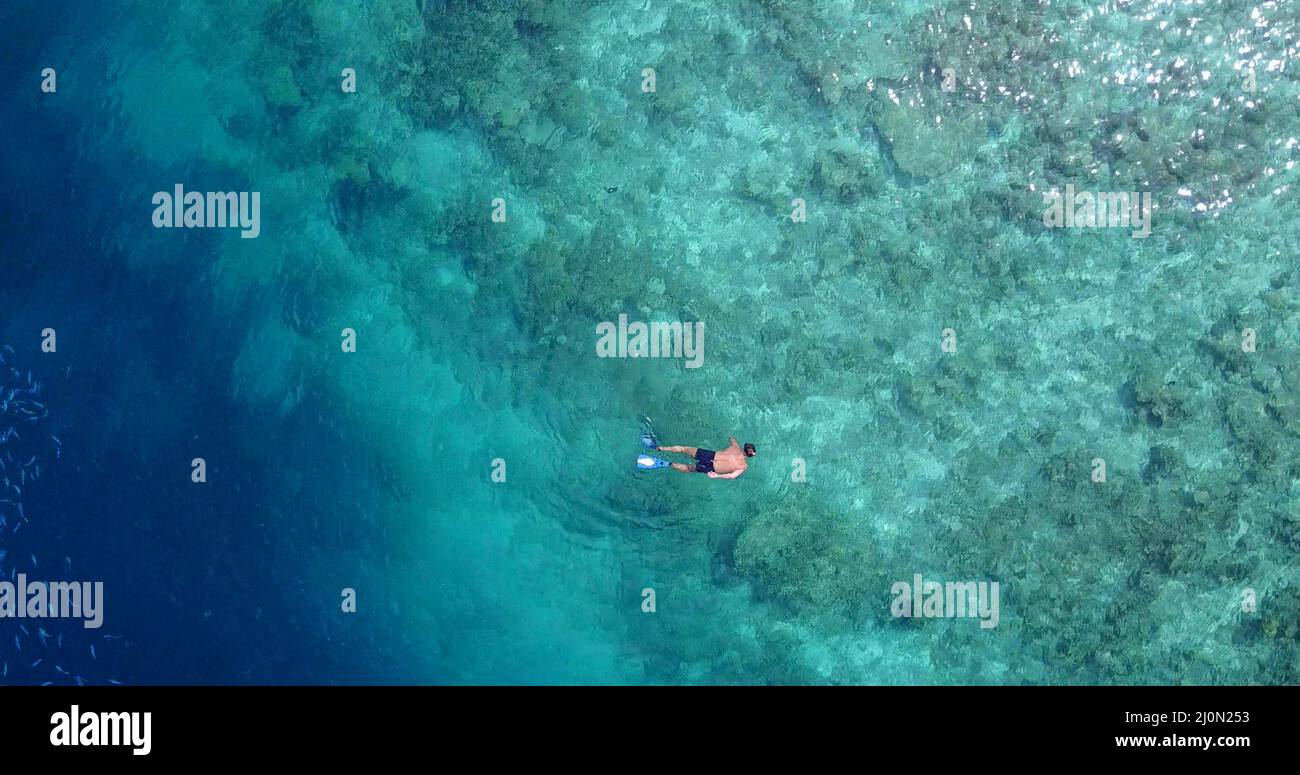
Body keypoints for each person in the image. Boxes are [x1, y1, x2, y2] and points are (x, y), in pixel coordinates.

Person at [657, 437, 755, 479]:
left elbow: (731, 438)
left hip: (710, 455)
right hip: (712, 468)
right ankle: (668, 464)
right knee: (689, 468)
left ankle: (662, 448)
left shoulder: (735, 447)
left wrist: (731, 437)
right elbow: (731, 476)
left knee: (684, 449)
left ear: (743, 449)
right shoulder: (743, 466)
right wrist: (717, 476)